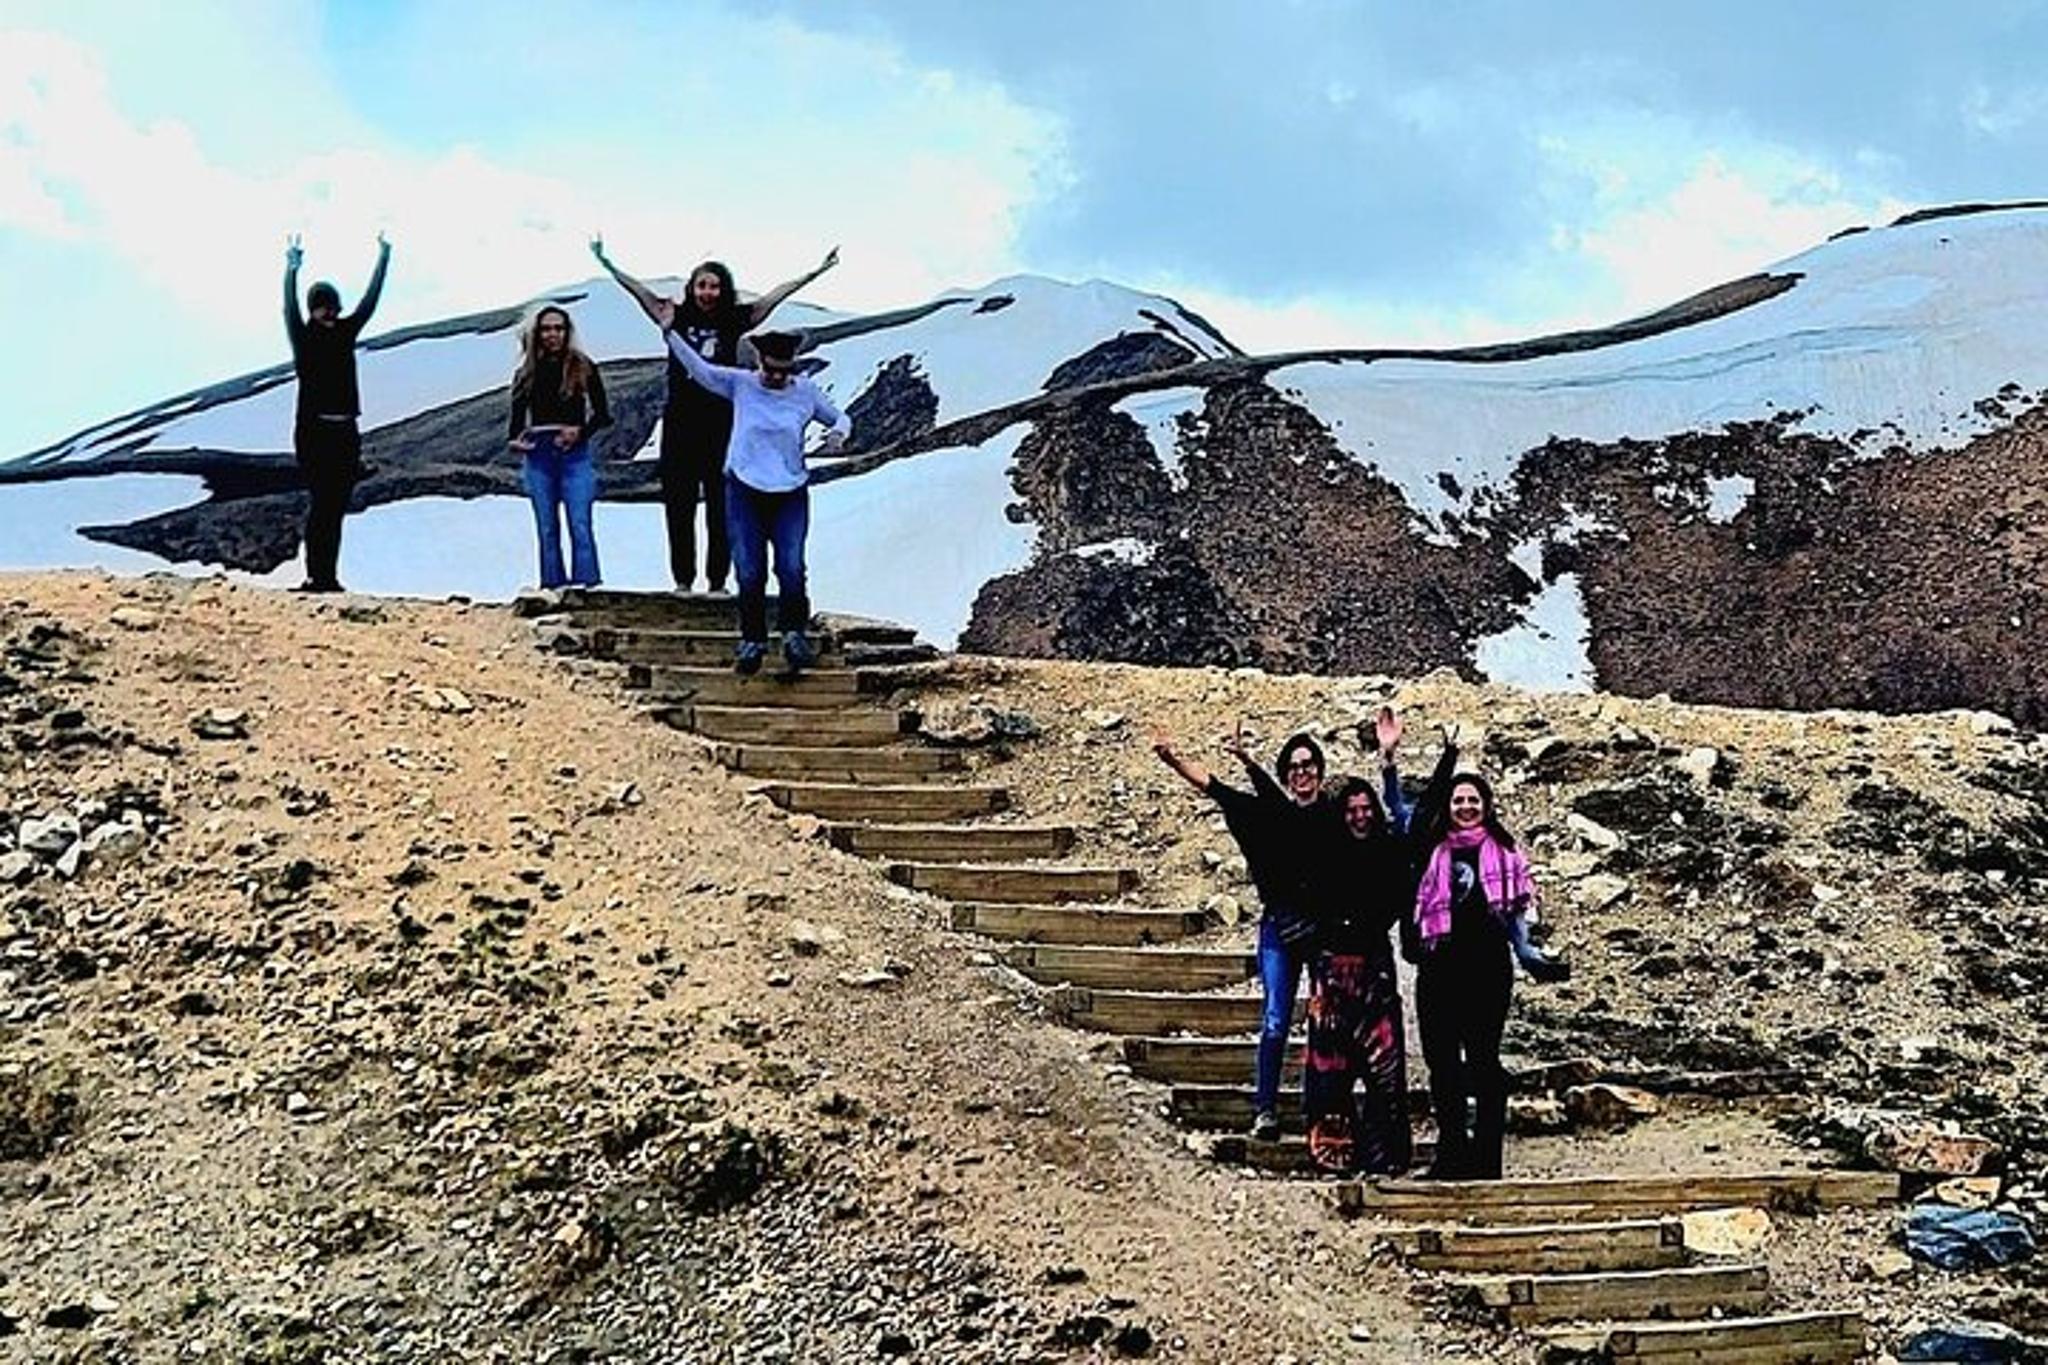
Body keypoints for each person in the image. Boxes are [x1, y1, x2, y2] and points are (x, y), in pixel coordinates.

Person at [591, 237, 839, 594]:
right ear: (691, 288)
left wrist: (815, 272)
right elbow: (638, 292)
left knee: (720, 505)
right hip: (679, 420)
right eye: (702, 285)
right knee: (679, 502)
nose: (708, 292)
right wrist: (609, 264)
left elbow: (774, 296)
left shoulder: (734, 319)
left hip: (722, 420)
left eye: (715, 286)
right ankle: (683, 580)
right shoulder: (673, 315)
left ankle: (718, 580)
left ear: (724, 291)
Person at [1153, 720, 1328, 1141]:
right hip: (1279, 928)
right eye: (1295, 767)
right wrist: (1172, 758)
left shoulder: (1335, 816)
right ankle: (1265, 1109)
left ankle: (1320, 1110)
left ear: (1320, 771)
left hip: (1323, 931)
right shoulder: (1267, 815)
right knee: (1275, 1019)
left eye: (1309, 765)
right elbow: (1213, 787)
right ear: (1286, 775)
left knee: (1326, 1022)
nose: (1302, 773)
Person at [653, 302, 849, 676]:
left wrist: (839, 431)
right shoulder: (740, 384)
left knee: (791, 566)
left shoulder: (805, 392)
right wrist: (670, 334)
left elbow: (839, 416)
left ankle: (793, 633)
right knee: (749, 568)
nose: (776, 378)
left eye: (783, 371)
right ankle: (753, 639)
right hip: (744, 486)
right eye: (770, 370)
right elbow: (700, 369)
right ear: (759, 363)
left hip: (789, 488)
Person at [1410, 765, 1567, 1180]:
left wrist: (1529, 952)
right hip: (1438, 968)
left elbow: (1518, 915)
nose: (1465, 807)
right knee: (1441, 1064)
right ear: (1448, 805)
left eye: (1472, 800)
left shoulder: (1505, 851)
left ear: (1486, 805)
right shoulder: (1432, 847)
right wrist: (1393, 763)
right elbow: (1398, 810)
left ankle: (1486, 1159)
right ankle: (1451, 1155)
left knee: (1483, 1063)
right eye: (1458, 800)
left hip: (1486, 971)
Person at [1300, 708, 1418, 1174]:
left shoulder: (1387, 849)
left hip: (1374, 964)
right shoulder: (1324, 851)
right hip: (1331, 967)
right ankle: (1333, 1155)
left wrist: (1388, 760)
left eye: (1366, 809)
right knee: (1330, 1069)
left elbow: (1406, 818)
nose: (1361, 816)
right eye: (1352, 810)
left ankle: (1385, 1156)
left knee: (1385, 1066)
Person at [283, 232, 391, 593]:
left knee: (336, 505)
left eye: (332, 306)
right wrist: (292, 269)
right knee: (321, 503)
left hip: (346, 431)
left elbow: (370, 302)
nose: (329, 312)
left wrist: (384, 258)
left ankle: (329, 576)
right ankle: (316, 575)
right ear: (313, 309)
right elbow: (288, 308)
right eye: (322, 307)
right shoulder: (303, 337)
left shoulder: (346, 332)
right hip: (314, 432)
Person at [507, 304, 611, 590]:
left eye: (558, 328)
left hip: (573, 453)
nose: (552, 335)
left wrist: (581, 432)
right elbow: (514, 426)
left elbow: (603, 414)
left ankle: (587, 587)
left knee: (580, 523)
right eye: (546, 329)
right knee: (547, 527)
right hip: (539, 453)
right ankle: (552, 587)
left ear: (567, 332)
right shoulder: (525, 373)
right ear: (536, 334)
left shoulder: (583, 366)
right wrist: (518, 442)